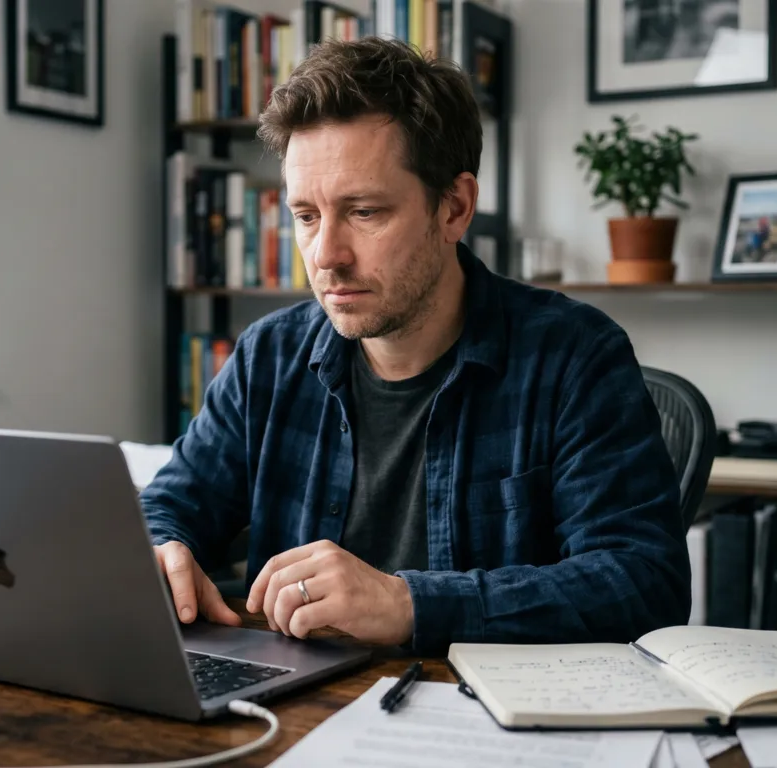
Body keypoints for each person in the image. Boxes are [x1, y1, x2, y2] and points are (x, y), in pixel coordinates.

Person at [141, 37, 689, 655]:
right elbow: (168, 506)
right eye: (306, 216)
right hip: (292, 710)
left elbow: (644, 582)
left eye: (365, 212)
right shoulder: (267, 356)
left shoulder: (574, 357)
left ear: (454, 208)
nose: (326, 256)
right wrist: (164, 550)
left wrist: (408, 604)